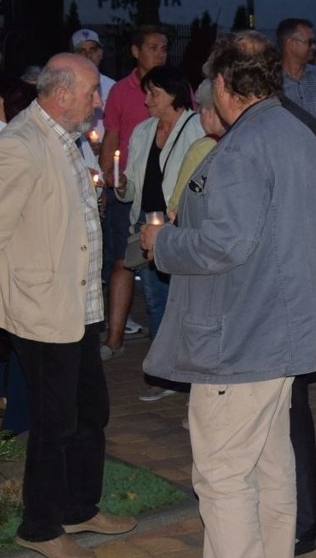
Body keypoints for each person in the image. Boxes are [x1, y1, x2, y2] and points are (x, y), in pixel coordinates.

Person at [139, 30, 316, 558]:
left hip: (240, 336)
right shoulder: (297, 130)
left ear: (222, 83)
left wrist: (165, 240)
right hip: (280, 329)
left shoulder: (244, 145)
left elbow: (227, 245)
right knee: (270, 466)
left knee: (223, 475)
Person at [0, 52, 136, 558]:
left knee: (90, 412)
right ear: (61, 94)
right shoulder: (21, 145)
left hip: (80, 305)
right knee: (53, 424)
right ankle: (39, 527)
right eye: (92, 91)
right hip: (41, 310)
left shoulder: (69, 139)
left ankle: (80, 507)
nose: (99, 101)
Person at [115, 65, 204, 402]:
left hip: (177, 226)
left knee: (181, 298)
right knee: (154, 298)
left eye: (154, 92)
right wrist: (122, 185)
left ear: (174, 94)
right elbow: (133, 186)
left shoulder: (196, 128)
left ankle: (183, 370)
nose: (147, 99)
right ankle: (164, 370)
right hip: (145, 223)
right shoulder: (142, 131)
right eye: (146, 92)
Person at [100, 25, 168, 361]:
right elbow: (111, 136)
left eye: (164, 48)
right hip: (126, 189)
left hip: (160, 195)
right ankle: (114, 337)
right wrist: (108, 178)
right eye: (153, 47)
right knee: (122, 261)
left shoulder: (173, 87)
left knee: (159, 269)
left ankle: (164, 344)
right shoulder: (120, 92)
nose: (160, 53)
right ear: (136, 51)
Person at [167, 79, 226, 217]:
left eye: (200, 111)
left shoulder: (203, 147)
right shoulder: (236, 140)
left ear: (209, 112)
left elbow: (177, 201)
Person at [277, 17, 316, 116]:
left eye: (314, 42)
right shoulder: (271, 82)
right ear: (291, 44)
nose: (314, 47)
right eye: (309, 42)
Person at [71, 29, 116, 139]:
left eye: (93, 49)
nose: (88, 55)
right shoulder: (66, 87)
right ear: (73, 55)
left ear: (100, 53)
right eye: (82, 51)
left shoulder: (113, 87)